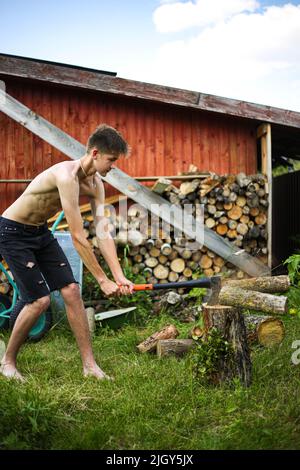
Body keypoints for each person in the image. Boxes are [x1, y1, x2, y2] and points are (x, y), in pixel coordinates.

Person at [0, 124, 134, 382]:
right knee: (39, 300)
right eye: (111, 159)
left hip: (39, 232)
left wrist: (118, 276)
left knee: (72, 290)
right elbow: (77, 236)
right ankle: (7, 362)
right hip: (13, 232)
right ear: (95, 153)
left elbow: (103, 233)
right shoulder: (66, 176)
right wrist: (102, 280)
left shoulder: (96, 184)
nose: (113, 166)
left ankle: (90, 366)